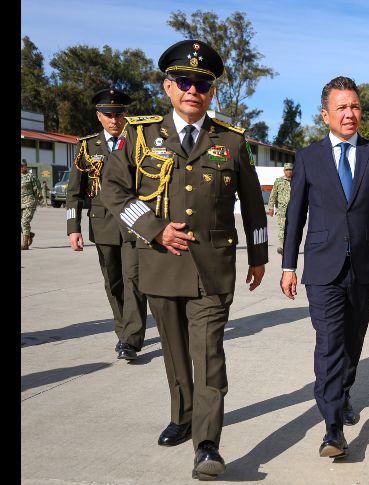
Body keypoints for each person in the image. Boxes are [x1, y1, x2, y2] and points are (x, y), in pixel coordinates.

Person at [100, 39, 268, 481]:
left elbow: (253, 204)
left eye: (203, 83)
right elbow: (113, 192)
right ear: (168, 87)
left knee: (209, 353)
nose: (193, 89)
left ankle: (208, 442)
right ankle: (183, 415)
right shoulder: (139, 137)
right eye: (184, 81)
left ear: (211, 92)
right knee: (175, 355)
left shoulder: (231, 142)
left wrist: (260, 255)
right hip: (158, 263)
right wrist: (154, 229)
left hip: (213, 267)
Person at [280, 76, 369, 459]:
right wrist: (289, 265)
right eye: (341, 107)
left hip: (365, 265)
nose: (350, 113)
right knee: (329, 342)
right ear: (326, 115)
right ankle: (333, 427)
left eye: (354, 106)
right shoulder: (308, 157)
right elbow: (295, 216)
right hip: (322, 267)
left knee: (353, 339)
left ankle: (344, 389)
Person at [66, 88, 148, 360]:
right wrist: (73, 227)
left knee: (133, 279)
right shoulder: (87, 146)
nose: (115, 120)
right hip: (102, 225)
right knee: (113, 281)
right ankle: (123, 329)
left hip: (136, 222)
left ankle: (131, 340)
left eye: (120, 114)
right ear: (99, 116)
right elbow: (74, 192)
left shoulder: (140, 141)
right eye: (109, 115)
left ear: (127, 114)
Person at [267, 162, 293, 254]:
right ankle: (281, 247)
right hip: (282, 210)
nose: (289, 171)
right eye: (287, 170)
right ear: (284, 171)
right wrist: (271, 207)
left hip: (294, 210)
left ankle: (289, 247)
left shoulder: (296, 181)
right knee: (282, 228)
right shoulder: (278, 181)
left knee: (292, 229)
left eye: (290, 169)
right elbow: (273, 195)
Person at [21, 160, 43, 250]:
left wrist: (39, 200)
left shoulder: (31, 177)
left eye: (23, 165)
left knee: (24, 222)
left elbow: (37, 189)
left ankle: (25, 244)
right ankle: (29, 234)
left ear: (26, 166)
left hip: (29, 203)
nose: (21, 167)